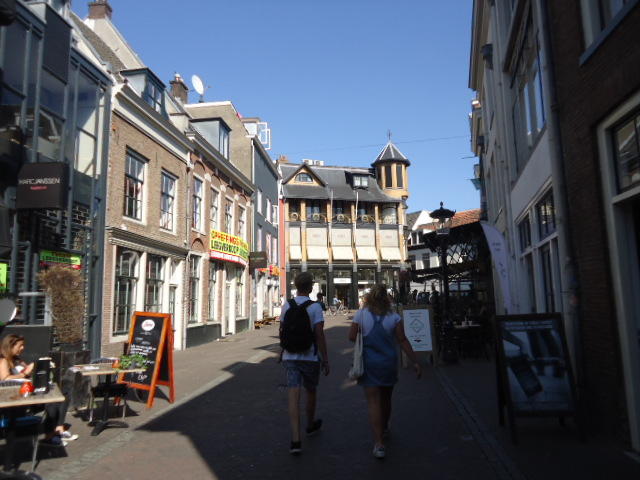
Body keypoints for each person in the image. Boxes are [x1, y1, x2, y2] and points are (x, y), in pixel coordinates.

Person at [348, 284, 421, 459]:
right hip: (388, 363)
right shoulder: (393, 317)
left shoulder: (361, 315)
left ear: (369, 298)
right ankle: (385, 427)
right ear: (386, 298)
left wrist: (363, 335)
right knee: (386, 399)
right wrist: (415, 361)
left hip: (369, 365)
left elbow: (351, 337)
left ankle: (379, 444)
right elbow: (403, 340)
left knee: (373, 402)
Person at [280, 273, 330, 455]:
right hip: (310, 357)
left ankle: (295, 440)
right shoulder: (315, 307)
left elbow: (282, 330)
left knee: (293, 395)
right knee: (311, 391)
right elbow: (319, 335)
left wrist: (282, 350)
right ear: (310, 288)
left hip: (290, 356)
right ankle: (310, 424)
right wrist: (325, 359)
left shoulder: (287, 305)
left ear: (295, 286)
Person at [0, 334, 78, 446]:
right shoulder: (3, 360)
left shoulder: (17, 360)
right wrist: (25, 373)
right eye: (20, 345)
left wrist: (40, 367)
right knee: (51, 401)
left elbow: (29, 373)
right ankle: (49, 436)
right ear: (11, 345)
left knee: (63, 393)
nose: (22, 348)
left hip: (28, 390)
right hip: (16, 397)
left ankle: (59, 428)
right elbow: (5, 379)